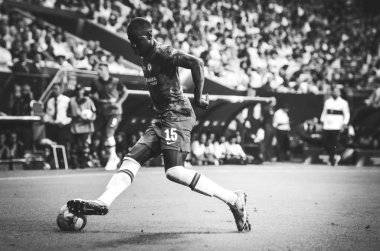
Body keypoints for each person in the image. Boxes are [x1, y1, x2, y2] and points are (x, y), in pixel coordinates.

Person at [67, 17, 250, 232]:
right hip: (163, 118)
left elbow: (196, 63)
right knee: (131, 159)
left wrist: (198, 97)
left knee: (174, 171)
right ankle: (103, 201)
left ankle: (234, 199)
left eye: (137, 41)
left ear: (150, 37)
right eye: (130, 41)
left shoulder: (163, 52)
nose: (134, 46)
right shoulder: (144, 56)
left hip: (177, 115)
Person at [90, 63, 129, 170]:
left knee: (109, 132)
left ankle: (112, 158)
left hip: (115, 112)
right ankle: (114, 157)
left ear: (107, 70)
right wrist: (99, 101)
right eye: (98, 69)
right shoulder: (95, 82)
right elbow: (93, 94)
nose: (99, 71)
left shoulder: (115, 81)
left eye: (101, 69)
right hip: (103, 112)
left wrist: (118, 102)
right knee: (105, 136)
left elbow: (126, 92)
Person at [68, 83, 96, 169]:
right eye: (77, 90)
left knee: (84, 145)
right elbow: (68, 113)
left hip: (86, 127)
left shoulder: (89, 100)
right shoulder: (71, 100)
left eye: (80, 90)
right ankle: (74, 163)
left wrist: (90, 118)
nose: (79, 92)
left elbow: (94, 113)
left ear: (83, 91)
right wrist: (76, 117)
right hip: (75, 127)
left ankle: (83, 162)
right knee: (74, 145)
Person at [320, 87, 350, 166]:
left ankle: (332, 158)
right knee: (324, 141)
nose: (335, 93)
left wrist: (344, 124)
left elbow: (346, 114)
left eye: (337, 92)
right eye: (334, 91)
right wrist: (322, 121)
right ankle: (331, 156)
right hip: (326, 125)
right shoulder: (328, 101)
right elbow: (324, 112)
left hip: (337, 125)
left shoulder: (344, 102)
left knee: (333, 143)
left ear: (340, 93)